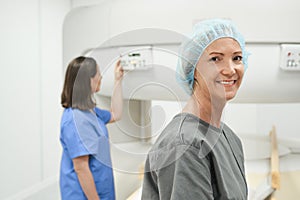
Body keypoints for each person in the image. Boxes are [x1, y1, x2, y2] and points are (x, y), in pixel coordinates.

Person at [141, 18, 249, 199]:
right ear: (193, 69)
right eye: (215, 59)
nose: (230, 70)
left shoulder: (229, 137)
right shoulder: (186, 145)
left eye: (237, 58)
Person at [59, 56, 123, 200]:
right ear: (87, 80)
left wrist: (118, 80)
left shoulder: (90, 111)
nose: (100, 76)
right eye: (97, 73)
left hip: (100, 189)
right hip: (84, 195)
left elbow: (116, 114)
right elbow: (81, 168)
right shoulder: (74, 120)